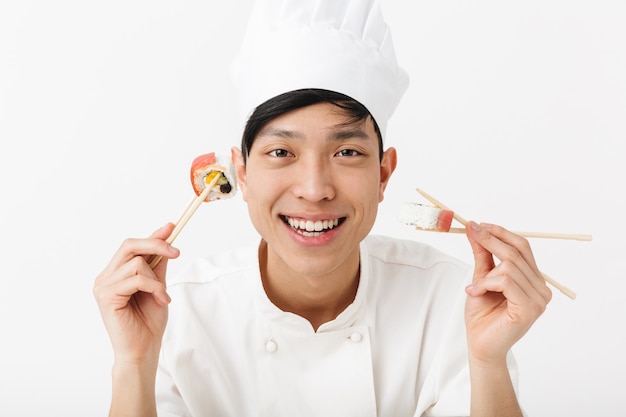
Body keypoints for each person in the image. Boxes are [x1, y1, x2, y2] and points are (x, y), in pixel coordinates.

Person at [93, 1, 552, 416]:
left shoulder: (454, 302)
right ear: (242, 173)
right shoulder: (177, 311)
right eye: (280, 153)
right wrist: (132, 364)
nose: (314, 190)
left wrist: (488, 362)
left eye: (346, 152)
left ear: (383, 175)